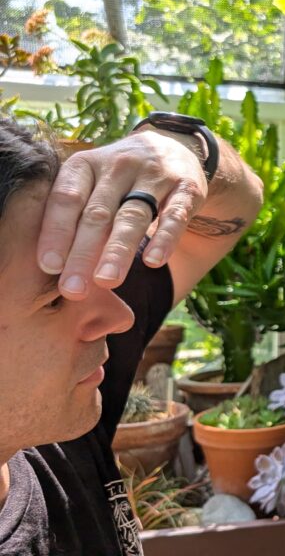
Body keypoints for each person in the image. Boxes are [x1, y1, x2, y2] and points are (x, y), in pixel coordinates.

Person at [0, 115, 263, 555]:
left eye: (89, 267)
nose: (119, 317)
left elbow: (238, 206)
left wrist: (177, 150)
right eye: (54, 300)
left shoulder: (60, 416)